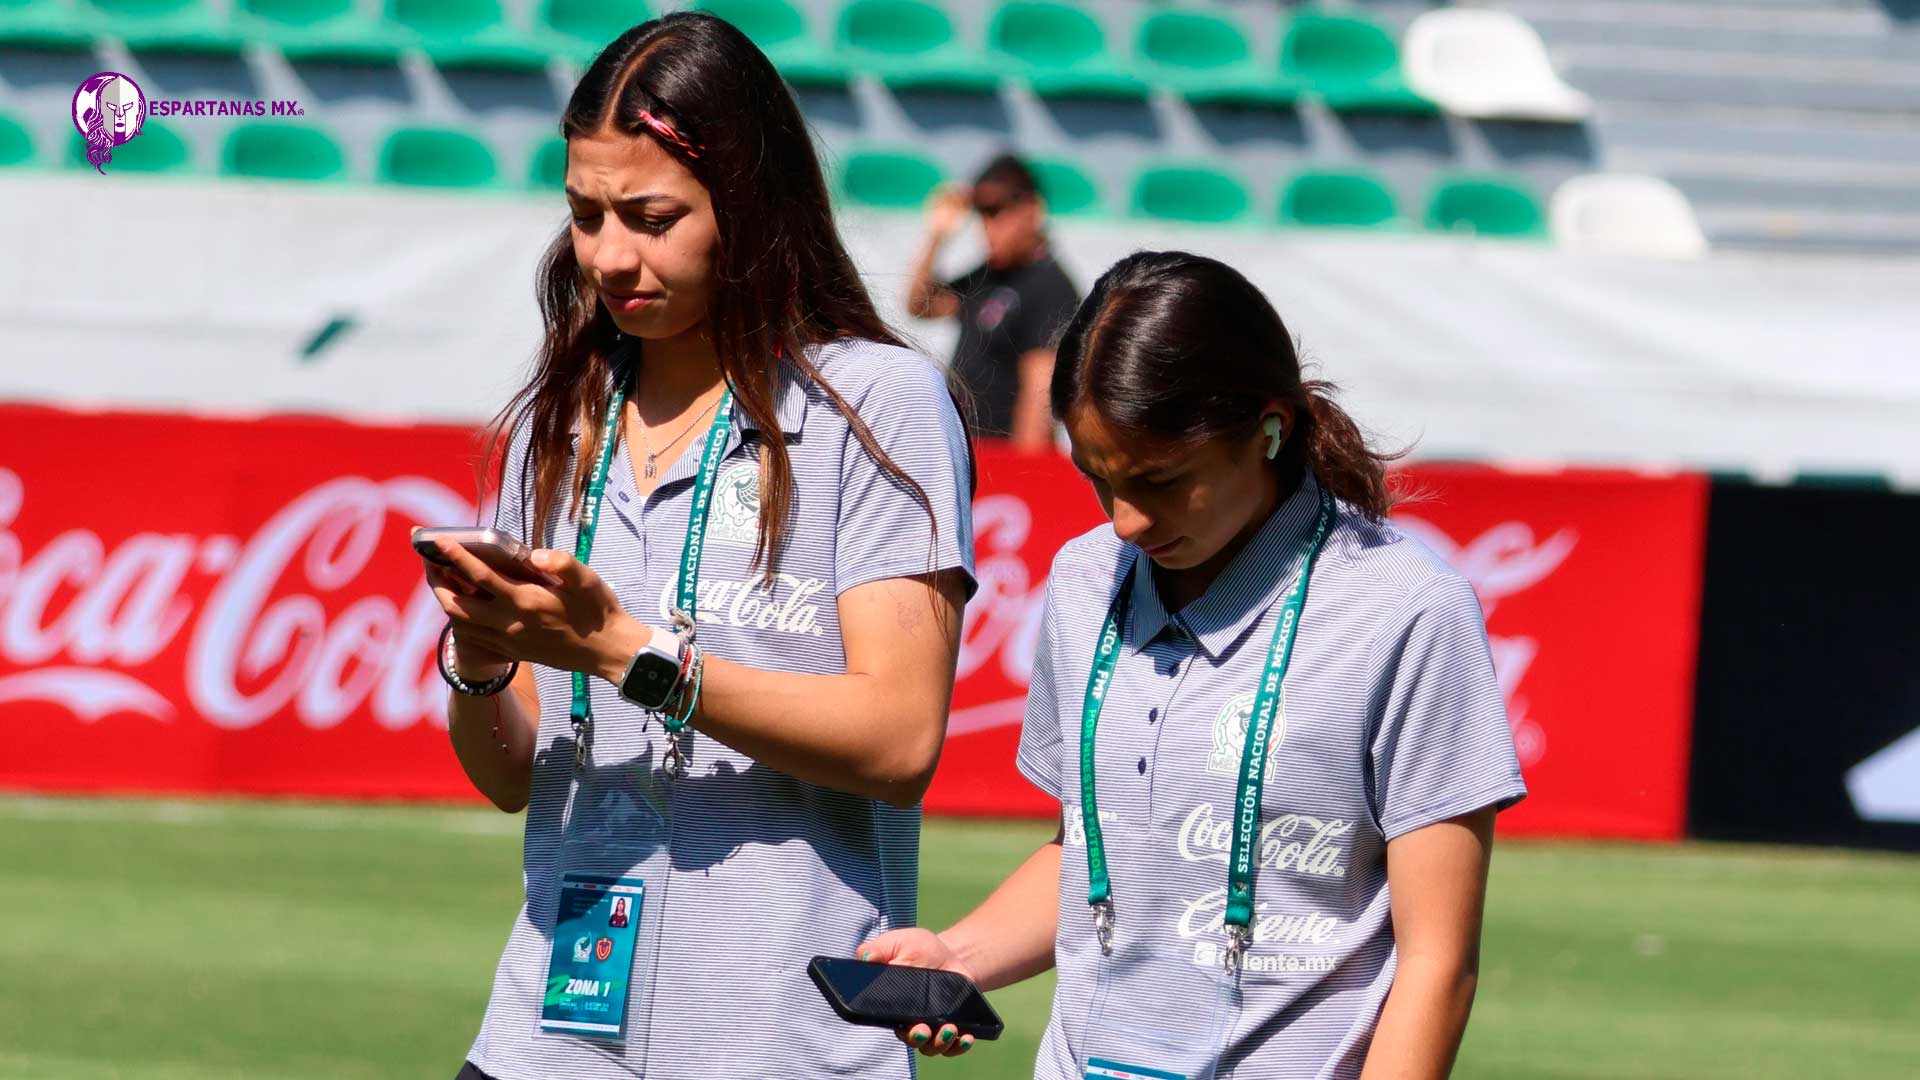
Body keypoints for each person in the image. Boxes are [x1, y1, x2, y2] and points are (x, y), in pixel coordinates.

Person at [416, 13, 975, 1080]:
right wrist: (484, 659)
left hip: (777, 1046)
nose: (613, 255)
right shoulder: (566, 407)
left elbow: (901, 740)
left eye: (654, 215)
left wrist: (631, 655)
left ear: (750, 207)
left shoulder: (874, 401)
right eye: (586, 216)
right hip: (542, 1040)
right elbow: (510, 778)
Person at [861, 251, 1527, 1079]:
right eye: (1099, 480)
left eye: (1161, 480)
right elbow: (1098, 856)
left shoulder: (1408, 610)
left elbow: (1437, 964)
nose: (1128, 520)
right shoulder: (1080, 580)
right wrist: (957, 957)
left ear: (1269, 429)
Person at [906, 153, 1081, 453]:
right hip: (967, 454)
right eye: (982, 214)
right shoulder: (989, 277)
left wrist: (1020, 479)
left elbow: (1038, 401)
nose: (987, 226)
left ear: (1032, 209)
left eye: (998, 212)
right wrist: (937, 236)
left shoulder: (1051, 287)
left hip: (1002, 466)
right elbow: (921, 305)